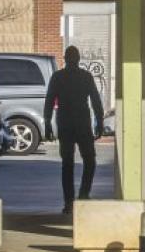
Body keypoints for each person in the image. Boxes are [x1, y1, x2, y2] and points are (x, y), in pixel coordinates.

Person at [43, 46, 105, 213]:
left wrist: (48, 123)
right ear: (78, 59)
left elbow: (49, 100)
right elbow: (95, 101)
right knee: (88, 160)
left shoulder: (58, 77)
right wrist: (99, 121)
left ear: (65, 58)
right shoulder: (85, 76)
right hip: (80, 123)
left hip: (66, 123)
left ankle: (70, 201)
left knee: (68, 164)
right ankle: (81, 195)